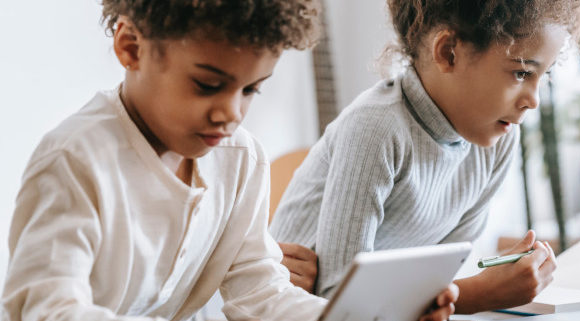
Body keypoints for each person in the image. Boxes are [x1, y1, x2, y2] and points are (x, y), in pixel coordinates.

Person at [1, 1, 457, 320]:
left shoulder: (241, 159)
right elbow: (47, 310)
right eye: (206, 84)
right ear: (131, 47)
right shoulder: (73, 161)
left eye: (251, 89)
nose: (231, 114)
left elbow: (260, 293)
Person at [270, 0, 580, 314]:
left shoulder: (497, 142)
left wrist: (451, 294)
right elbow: (341, 302)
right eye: (521, 73)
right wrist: (482, 293)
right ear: (448, 53)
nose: (534, 101)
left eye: (543, 76)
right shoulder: (376, 127)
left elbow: (430, 284)